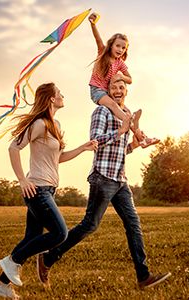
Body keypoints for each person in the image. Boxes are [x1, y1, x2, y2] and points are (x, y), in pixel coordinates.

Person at [37, 78, 171, 289]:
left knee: (133, 225)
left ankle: (143, 277)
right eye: (113, 88)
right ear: (107, 92)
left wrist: (134, 145)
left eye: (121, 87)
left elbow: (119, 151)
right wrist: (121, 131)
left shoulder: (125, 113)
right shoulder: (102, 111)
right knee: (90, 224)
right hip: (103, 177)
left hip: (120, 179)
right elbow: (96, 140)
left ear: (126, 90)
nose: (117, 91)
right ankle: (48, 258)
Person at [0, 82, 98, 299]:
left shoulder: (54, 124)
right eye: (59, 93)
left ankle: (1, 285)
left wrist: (82, 148)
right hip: (36, 189)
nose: (62, 95)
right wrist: (22, 179)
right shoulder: (39, 123)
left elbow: (58, 158)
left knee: (31, 237)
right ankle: (12, 261)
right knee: (60, 233)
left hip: (48, 188)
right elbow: (14, 147)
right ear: (51, 98)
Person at [88, 12, 159, 149]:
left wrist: (121, 76)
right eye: (117, 46)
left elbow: (130, 79)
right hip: (97, 91)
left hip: (107, 92)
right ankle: (129, 121)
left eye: (123, 47)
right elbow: (97, 39)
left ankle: (143, 140)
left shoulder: (120, 63)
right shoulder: (103, 53)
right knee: (116, 108)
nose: (120, 49)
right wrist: (93, 24)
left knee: (126, 110)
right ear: (111, 45)